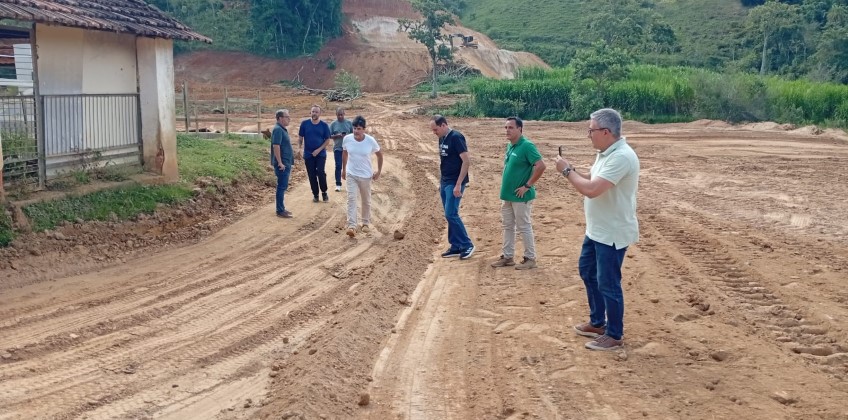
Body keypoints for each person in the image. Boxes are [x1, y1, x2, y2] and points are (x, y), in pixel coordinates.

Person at [554, 108, 640, 352]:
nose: (588, 134)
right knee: (588, 272)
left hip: (612, 232)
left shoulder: (621, 157)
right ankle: (597, 322)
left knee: (608, 282)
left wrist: (566, 170)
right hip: (597, 229)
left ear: (605, 132)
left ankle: (614, 334)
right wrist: (571, 170)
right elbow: (592, 178)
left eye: (590, 130)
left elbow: (592, 189)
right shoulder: (605, 153)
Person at [491, 116, 546, 270]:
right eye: (506, 127)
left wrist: (527, 186)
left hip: (521, 196)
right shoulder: (511, 146)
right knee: (508, 226)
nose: (507, 130)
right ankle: (508, 257)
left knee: (524, 226)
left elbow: (541, 166)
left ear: (520, 129)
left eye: (511, 127)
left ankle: (530, 258)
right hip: (508, 195)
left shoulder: (527, 146)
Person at [430, 115, 474, 260]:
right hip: (445, 181)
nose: (434, 133)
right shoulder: (441, 138)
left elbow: (466, 161)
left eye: (436, 129)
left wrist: (458, 184)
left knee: (451, 214)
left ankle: (467, 245)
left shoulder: (456, 137)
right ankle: (455, 246)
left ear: (443, 125)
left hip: (455, 183)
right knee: (448, 215)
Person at [342, 116, 383, 237]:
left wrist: (379, 171)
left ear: (364, 129)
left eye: (359, 128)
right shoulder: (347, 139)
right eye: (354, 128)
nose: (356, 131)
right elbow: (344, 153)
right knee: (351, 199)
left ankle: (365, 223)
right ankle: (352, 226)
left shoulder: (370, 141)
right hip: (351, 174)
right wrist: (343, 169)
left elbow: (380, 155)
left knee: (366, 200)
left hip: (366, 176)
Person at [298, 104, 332, 202]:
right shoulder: (304, 124)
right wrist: (299, 148)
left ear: (320, 113)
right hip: (308, 154)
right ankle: (315, 194)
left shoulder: (324, 125)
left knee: (320, 172)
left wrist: (319, 150)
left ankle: (324, 192)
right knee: (311, 174)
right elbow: (300, 138)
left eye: (316, 112)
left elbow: (327, 140)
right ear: (310, 112)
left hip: (320, 154)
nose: (314, 114)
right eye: (313, 111)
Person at [270, 109, 294, 218]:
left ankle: (281, 208)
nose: (289, 119)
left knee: (283, 186)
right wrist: (280, 162)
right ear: (280, 118)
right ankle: (279, 210)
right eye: (286, 117)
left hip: (286, 162)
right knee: (281, 187)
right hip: (282, 164)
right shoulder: (278, 130)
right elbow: (276, 146)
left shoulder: (282, 129)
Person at [330, 107, 353, 192]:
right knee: (338, 165)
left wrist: (347, 136)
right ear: (336, 115)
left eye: (341, 114)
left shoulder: (349, 123)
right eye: (338, 115)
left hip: (348, 148)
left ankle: (350, 184)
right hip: (338, 147)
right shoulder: (333, 124)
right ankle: (338, 184)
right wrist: (338, 135)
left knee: (348, 166)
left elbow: (353, 134)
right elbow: (329, 136)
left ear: (344, 114)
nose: (340, 116)